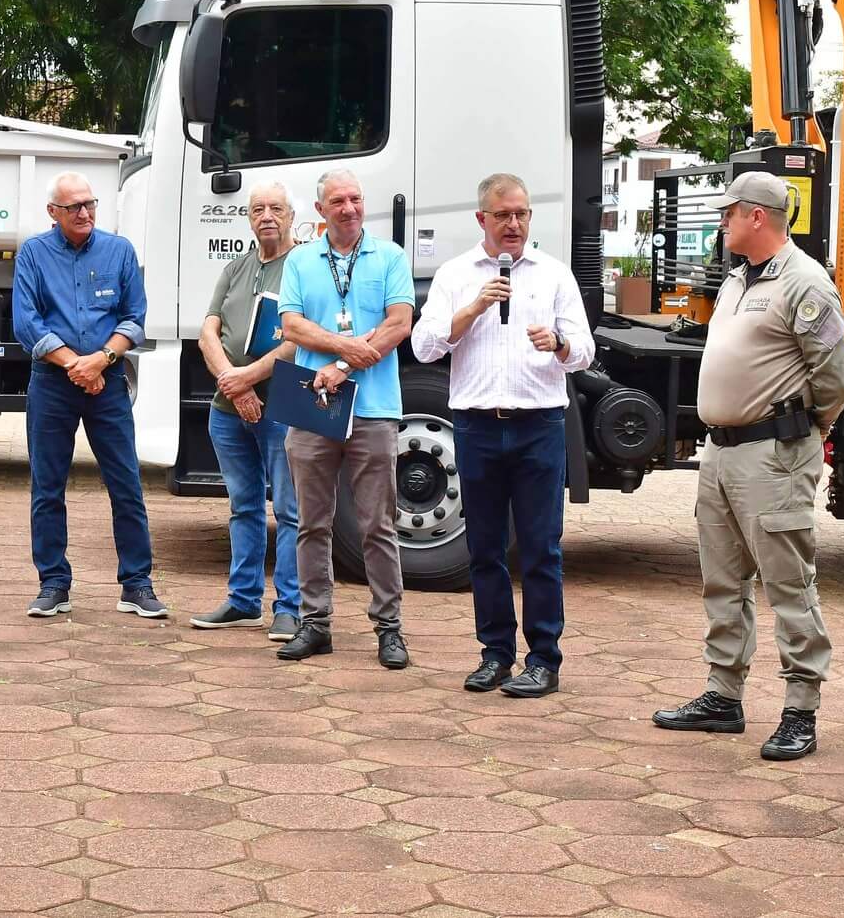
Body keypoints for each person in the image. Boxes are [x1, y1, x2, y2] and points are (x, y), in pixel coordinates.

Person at [651, 171, 844, 758]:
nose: (721, 224)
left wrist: (803, 432)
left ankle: (801, 708)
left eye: (728, 214)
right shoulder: (739, 279)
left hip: (773, 454)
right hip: (722, 452)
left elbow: (833, 377)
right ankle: (723, 693)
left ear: (756, 216)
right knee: (722, 577)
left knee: (788, 580)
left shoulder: (805, 282)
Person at [411, 173, 593, 698]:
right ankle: (495, 654)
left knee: (540, 548)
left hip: (538, 425)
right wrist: (471, 309)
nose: (513, 225)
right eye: (503, 216)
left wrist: (557, 342)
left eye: (522, 214)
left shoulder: (554, 274)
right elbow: (425, 347)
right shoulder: (455, 274)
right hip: (476, 426)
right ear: (481, 220)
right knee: (485, 548)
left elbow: (583, 351)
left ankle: (543, 659)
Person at [274, 169, 416, 669]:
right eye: (338, 200)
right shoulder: (300, 259)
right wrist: (341, 348)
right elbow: (291, 324)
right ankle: (315, 624)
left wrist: (339, 365)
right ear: (321, 210)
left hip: (374, 409)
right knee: (312, 522)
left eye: (356, 198)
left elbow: (399, 324)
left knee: (378, 523)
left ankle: (389, 628)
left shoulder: (391, 256)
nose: (349, 208)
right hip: (313, 408)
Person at [11, 172, 165, 621]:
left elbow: (134, 317)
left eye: (90, 204)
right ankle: (53, 584)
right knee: (47, 486)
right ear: (52, 213)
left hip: (108, 381)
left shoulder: (119, 251)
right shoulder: (34, 255)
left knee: (127, 484)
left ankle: (137, 585)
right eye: (74, 207)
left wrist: (99, 361)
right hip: (52, 384)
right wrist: (76, 366)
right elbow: (27, 323)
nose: (84, 213)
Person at [190, 182, 303, 641]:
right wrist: (235, 387)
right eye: (257, 209)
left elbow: (302, 339)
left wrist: (250, 378)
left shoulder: (305, 267)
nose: (267, 216)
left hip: (284, 404)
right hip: (228, 407)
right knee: (244, 505)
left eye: (276, 208)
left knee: (292, 510)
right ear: (249, 219)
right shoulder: (236, 268)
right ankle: (243, 601)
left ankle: (290, 608)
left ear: (292, 215)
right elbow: (207, 333)